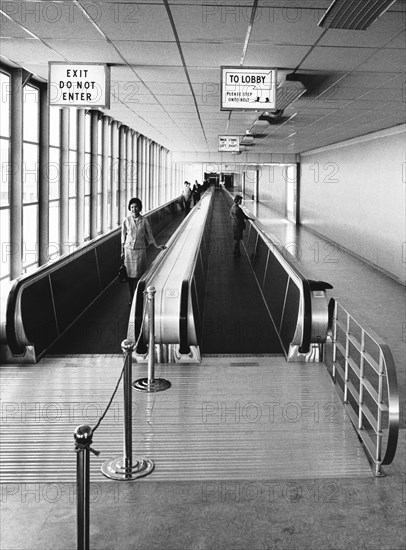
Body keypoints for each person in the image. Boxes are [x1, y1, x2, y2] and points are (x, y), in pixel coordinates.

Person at [121, 197, 166, 305]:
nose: (134, 209)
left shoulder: (144, 220)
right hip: (129, 251)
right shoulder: (126, 220)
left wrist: (157, 246)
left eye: (136, 207)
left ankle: (139, 294)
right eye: (132, 207)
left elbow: (149, 234)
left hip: (140, 250)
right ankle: (131, 296)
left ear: (140, 208)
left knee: (141, 274)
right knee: (130, 275)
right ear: (129, 208)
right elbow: (122, 236)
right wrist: (122, 251)